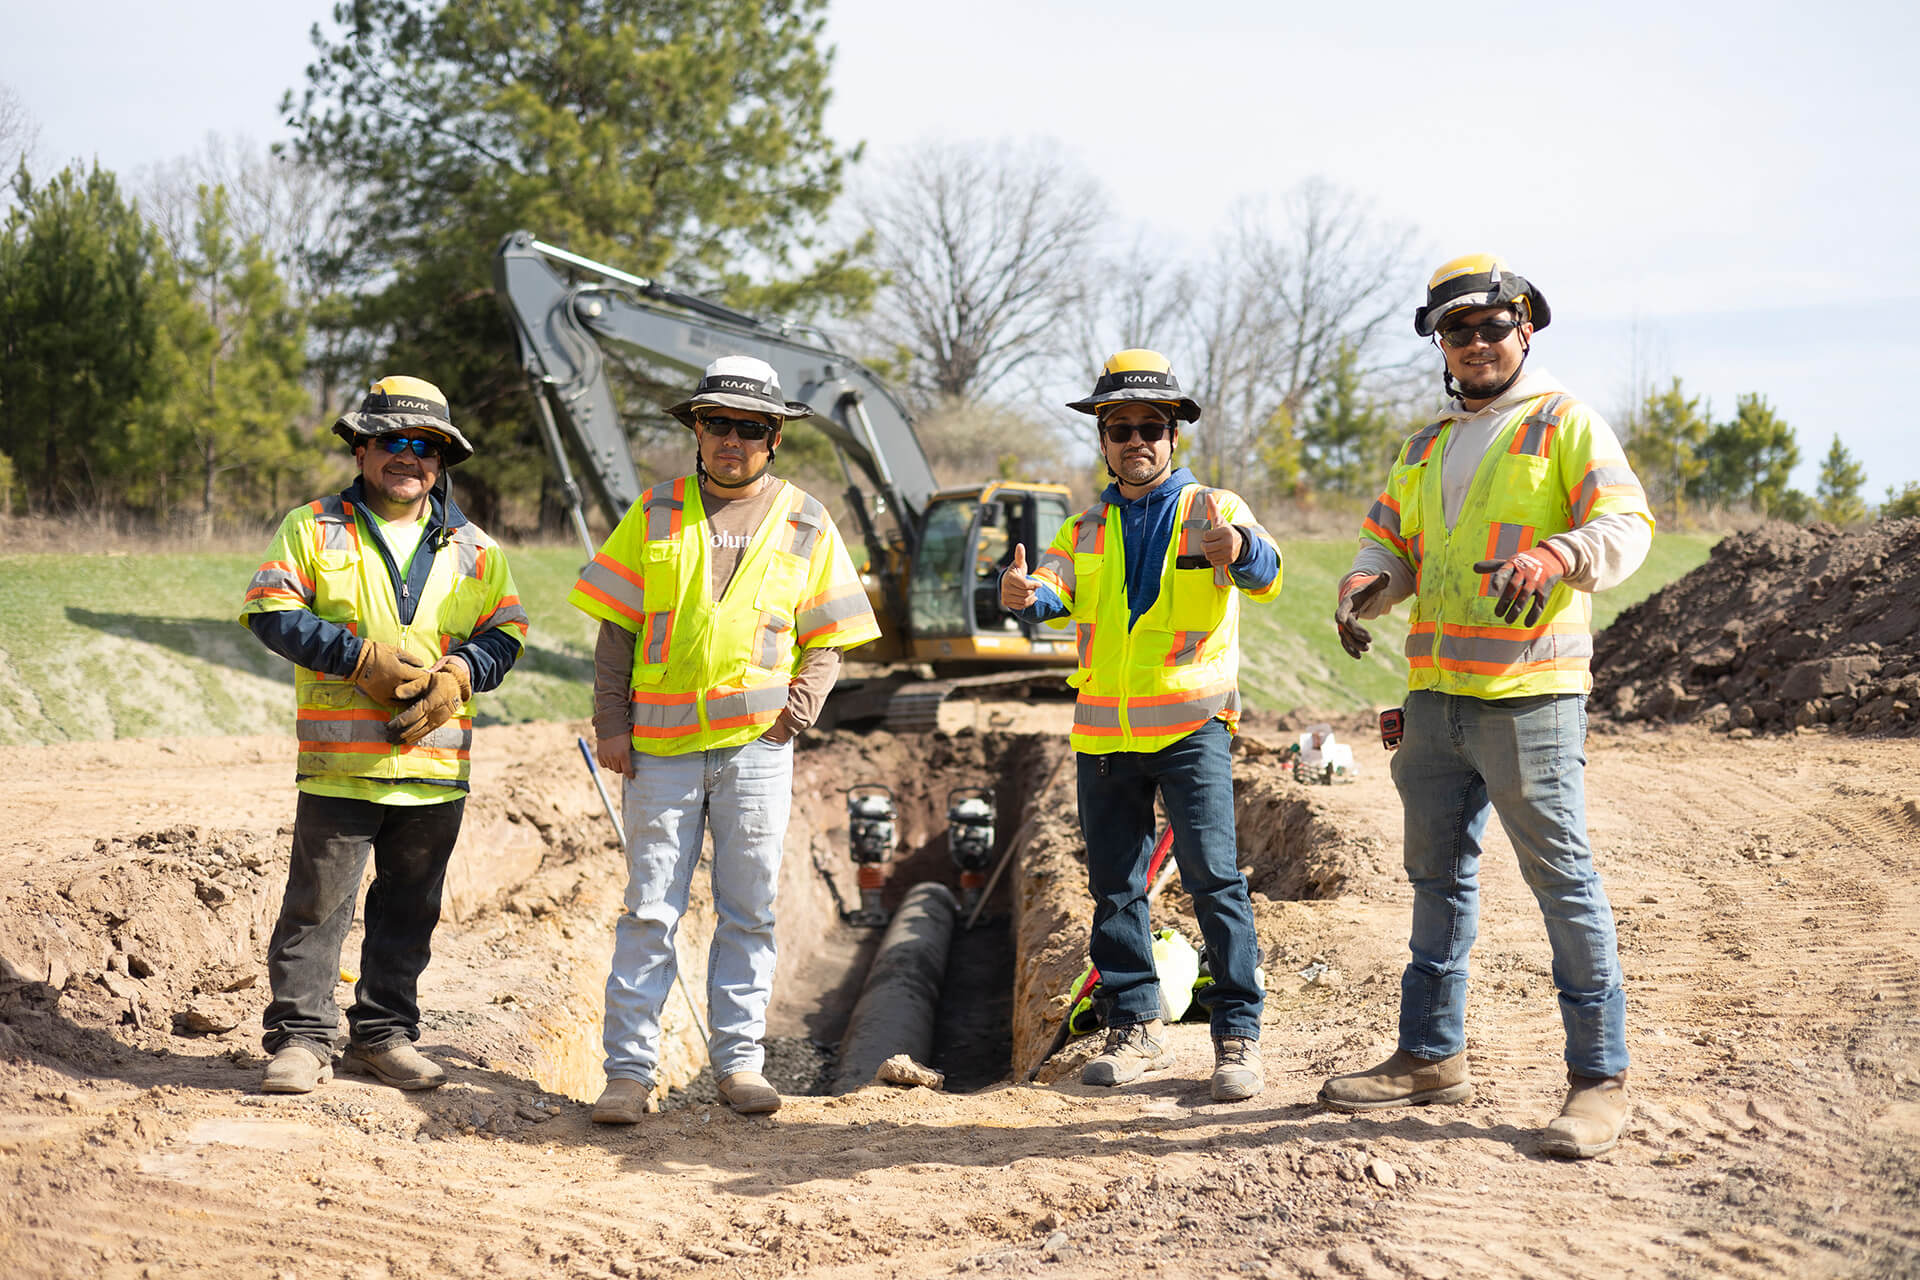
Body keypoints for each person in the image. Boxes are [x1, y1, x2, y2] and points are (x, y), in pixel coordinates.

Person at [1317, 254, 1655, 1159]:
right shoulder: (1424, 443)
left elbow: (1627, 526)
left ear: (1525, 330)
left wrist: (1555, 556)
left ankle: (1599, 1079)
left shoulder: (1564, 422)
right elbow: (1389, 540)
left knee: (1563, 883)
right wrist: (1365, 584)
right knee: (1436, 879)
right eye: (1455, 331)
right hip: (1435, 696)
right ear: (1441, 343)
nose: (1474, 343)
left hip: (1529, 696)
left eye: (1490, 327)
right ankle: (1429, 1056)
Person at [569, 355, 881, 1122]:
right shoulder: (655, 513)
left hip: (756, 750)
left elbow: (830, 639)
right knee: (649, 910)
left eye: (748, 428)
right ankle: (629, 1075)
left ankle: (740, 1064)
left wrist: (797, 710)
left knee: (749, 911)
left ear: (773, 437)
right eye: (717, 424)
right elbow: (616, 632)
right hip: (660, 751)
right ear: (697, 431)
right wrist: (611, 723)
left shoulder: (806, 518)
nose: (731, 439)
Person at [1001, 349, 1282, 1102]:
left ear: (1174, 434)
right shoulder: (1083, 529)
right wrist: (1025, 593)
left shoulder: (1214, 511)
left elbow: (1267, 571)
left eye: (1149, 426)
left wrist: (1244, 550)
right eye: (1119, 427)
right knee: (1115, 888)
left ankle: (1237, 1038)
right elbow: (1052, 594)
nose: (1135, 440)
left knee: (1214, 881)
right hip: (1105, 737)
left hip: (1192, 729)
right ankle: (1134, 1023)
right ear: (1102, 438)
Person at [240, 376, 528, 1094]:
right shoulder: (312, 527)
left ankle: (383, 1034)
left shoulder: (476, 547)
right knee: (317, 908)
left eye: (425, 446)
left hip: (436, 768)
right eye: (393, 441)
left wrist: (462, 673)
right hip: (341, 764)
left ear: (442, 459)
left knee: (409, 910)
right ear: (363, 448)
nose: (409, 457)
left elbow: (508, 630)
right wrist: (357, 659)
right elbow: (268, 609)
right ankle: (302, 1041)